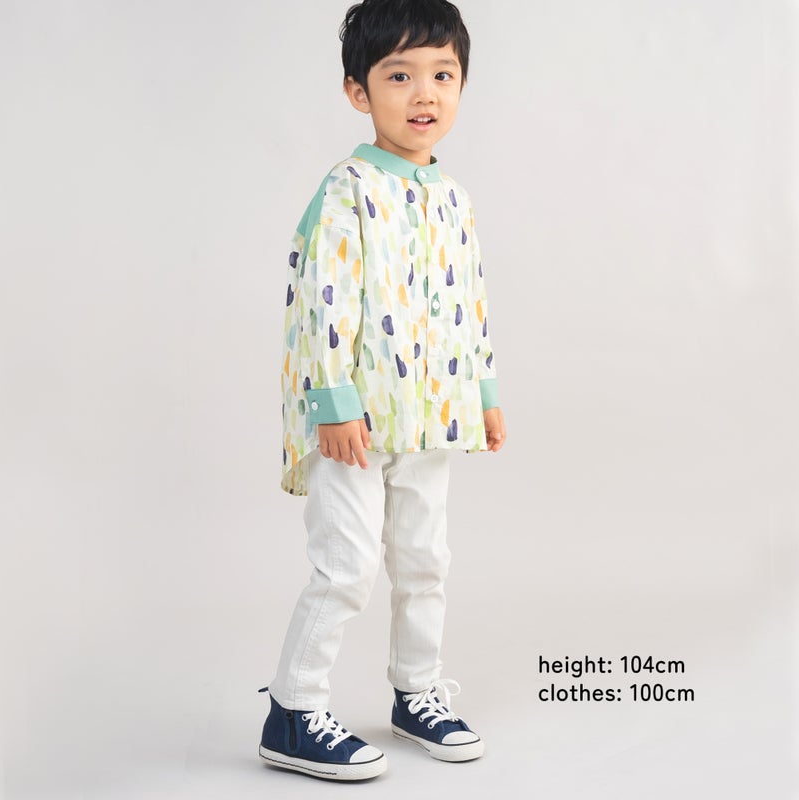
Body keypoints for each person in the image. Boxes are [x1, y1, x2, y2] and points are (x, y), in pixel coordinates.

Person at [258, 0, 507, 781]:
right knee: (347, 565)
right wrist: (332, 403)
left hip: (431, 415)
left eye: (442, 75)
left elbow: (470, 300)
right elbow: (322, 298)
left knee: (426, 560)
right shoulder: (349, 190)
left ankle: (416, 692)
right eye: (399, 76)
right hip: (357, 422)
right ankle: (293, 710)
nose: (424, 93)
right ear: (357, 91)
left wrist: (484, 391)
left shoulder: (454, 198)